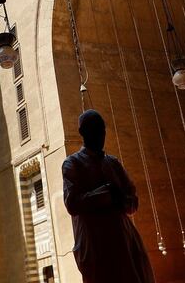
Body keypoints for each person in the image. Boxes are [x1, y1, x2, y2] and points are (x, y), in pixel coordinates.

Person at [62, 109, 155, 283]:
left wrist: (121, 198)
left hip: (124, 241)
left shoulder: (113, 163)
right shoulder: (72, 163)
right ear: (83, 133)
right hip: (96, 245)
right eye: (95, 130)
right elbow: (72, 204)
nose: (101, 135)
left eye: (102, 130)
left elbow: (132, 202)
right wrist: (105, 194)